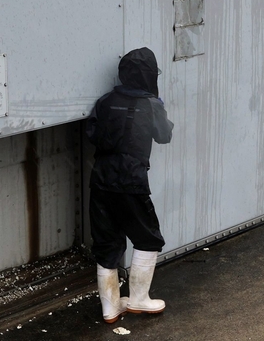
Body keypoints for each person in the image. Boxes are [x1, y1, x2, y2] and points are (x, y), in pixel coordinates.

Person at [86, 47, 173, 323]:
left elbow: (93, 134)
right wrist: (158, 108)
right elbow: (164, 136)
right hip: (132, 182)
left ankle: (110, 308)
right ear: (149, 75)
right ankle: (138, 300)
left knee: (106, 243)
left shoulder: (105, 101)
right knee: (148, 238)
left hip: (101, 180)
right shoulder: (151, 104)